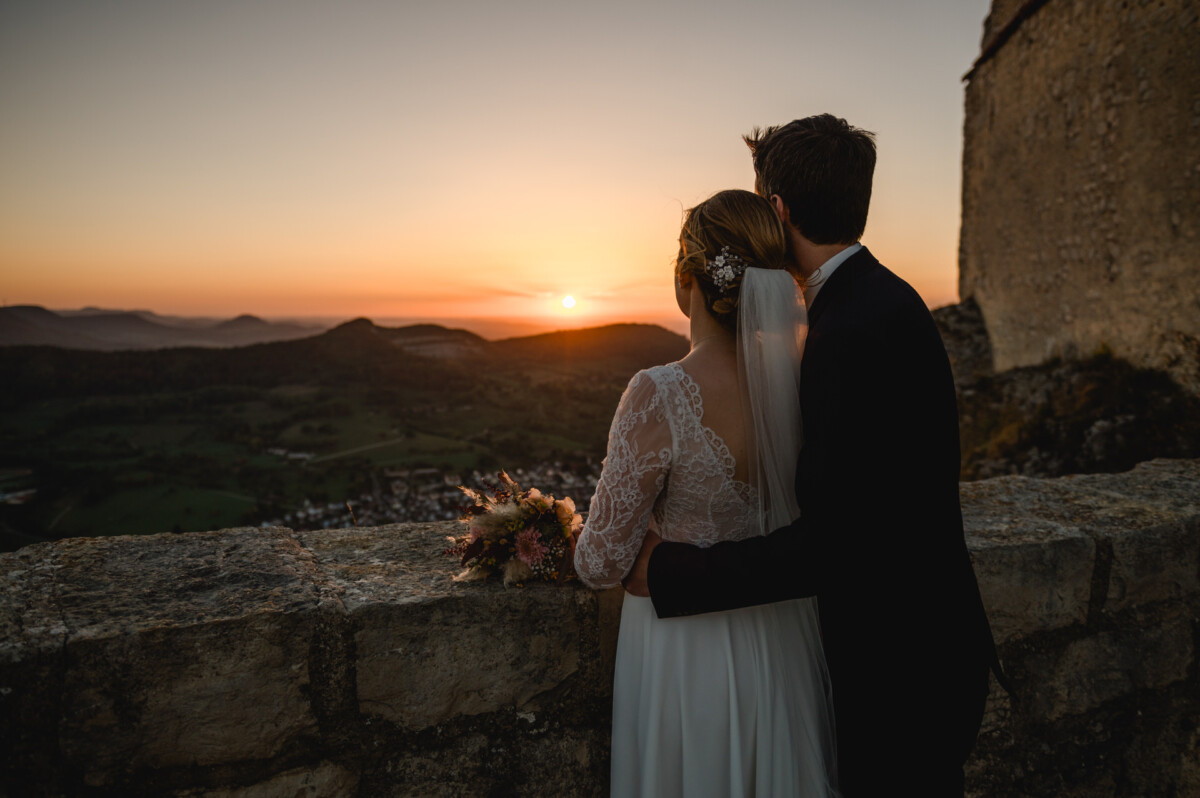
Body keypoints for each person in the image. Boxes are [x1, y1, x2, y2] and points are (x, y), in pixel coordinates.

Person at [623, 114, 1003, 796]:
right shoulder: (888, 299)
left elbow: (833, 545)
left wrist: (673, 570)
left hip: (897, 676)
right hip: (928, 648)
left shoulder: (843, 335)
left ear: (776, 209)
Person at [574, 189, 839, 797]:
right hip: (781, 642)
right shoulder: (804, 383)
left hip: (685, 652)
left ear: (685, 277)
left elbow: (598, 563)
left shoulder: (658, 392)